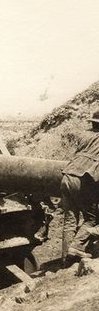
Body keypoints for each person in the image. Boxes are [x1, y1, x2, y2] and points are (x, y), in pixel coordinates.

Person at [61, 110, 99, 262]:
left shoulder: (85, 137)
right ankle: (76, 247)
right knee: (91, 218)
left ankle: (66, 261)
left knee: (70, 220)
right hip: (82, 179)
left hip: (67, 175)